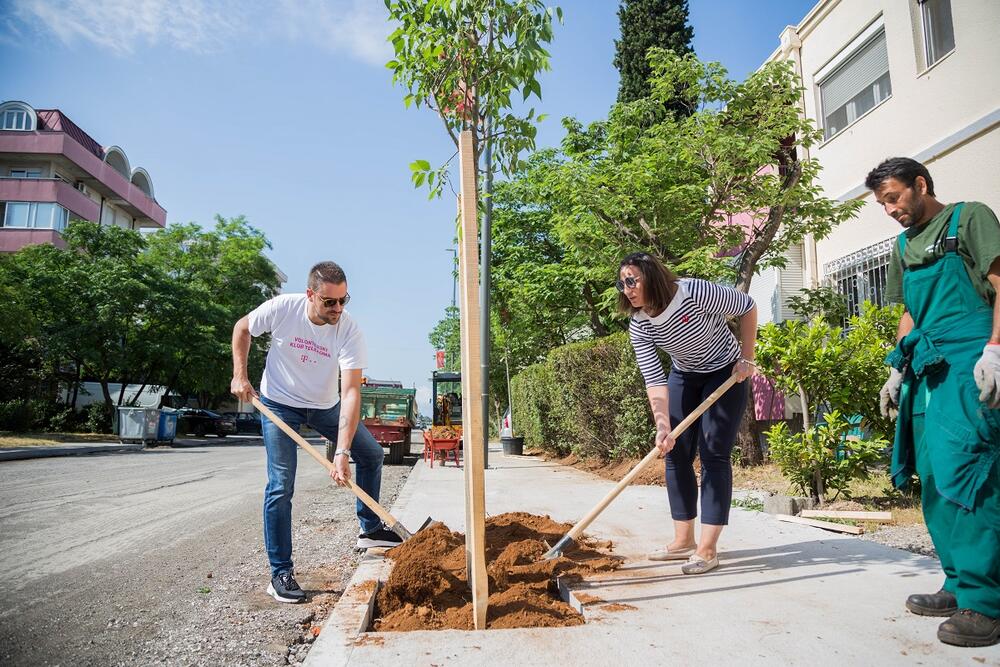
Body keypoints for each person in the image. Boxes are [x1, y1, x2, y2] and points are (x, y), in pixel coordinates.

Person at [872, 157, 1000, 648]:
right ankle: (958, 581)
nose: (889, 209)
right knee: (932, 475)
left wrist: (995, 349)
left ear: (920, 184)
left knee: (968, 473)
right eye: (883, 203)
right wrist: (897, 367)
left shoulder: (969, 218)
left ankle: (985, 602)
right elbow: (909, 312)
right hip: (926, 365)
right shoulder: (902, 245)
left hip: (970, 360)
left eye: (894, 197)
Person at [230, 261, 402, 604]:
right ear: (311, 294)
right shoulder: (283, 308)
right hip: (279, 404)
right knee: (281, 484)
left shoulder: (349, 329)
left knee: (370, 454)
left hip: (324, 406)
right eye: (329, 302)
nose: (338, 308)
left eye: (343, 300)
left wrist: (342, 452)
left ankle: (370, 529)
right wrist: (240, 375)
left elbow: (351, 392)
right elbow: (242, 328)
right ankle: (280, 572)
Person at [619, 252, 757, 575]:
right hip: (684, 374)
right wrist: (662, 425)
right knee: (675, 450)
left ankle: (707, 549)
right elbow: (654, 378)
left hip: (725, 370)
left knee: (713, 453)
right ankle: (683, 540)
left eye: (632, 281)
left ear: (651, 276)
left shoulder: (693, 292)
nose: (627, 289)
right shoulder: (639, 324)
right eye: (622, 283)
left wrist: (747, 358)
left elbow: (748, 306)